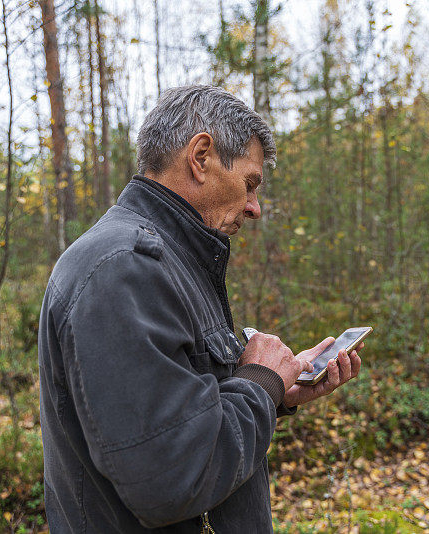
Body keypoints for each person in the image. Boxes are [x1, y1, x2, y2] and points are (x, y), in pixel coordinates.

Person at [38, 84, 364, 533]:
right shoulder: (123, 269)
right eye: (250, 184)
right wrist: (259, 383)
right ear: (202, 156)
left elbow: (186, 412)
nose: (255, 208)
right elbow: (170, 478)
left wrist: (277, 392)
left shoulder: (170, 260)